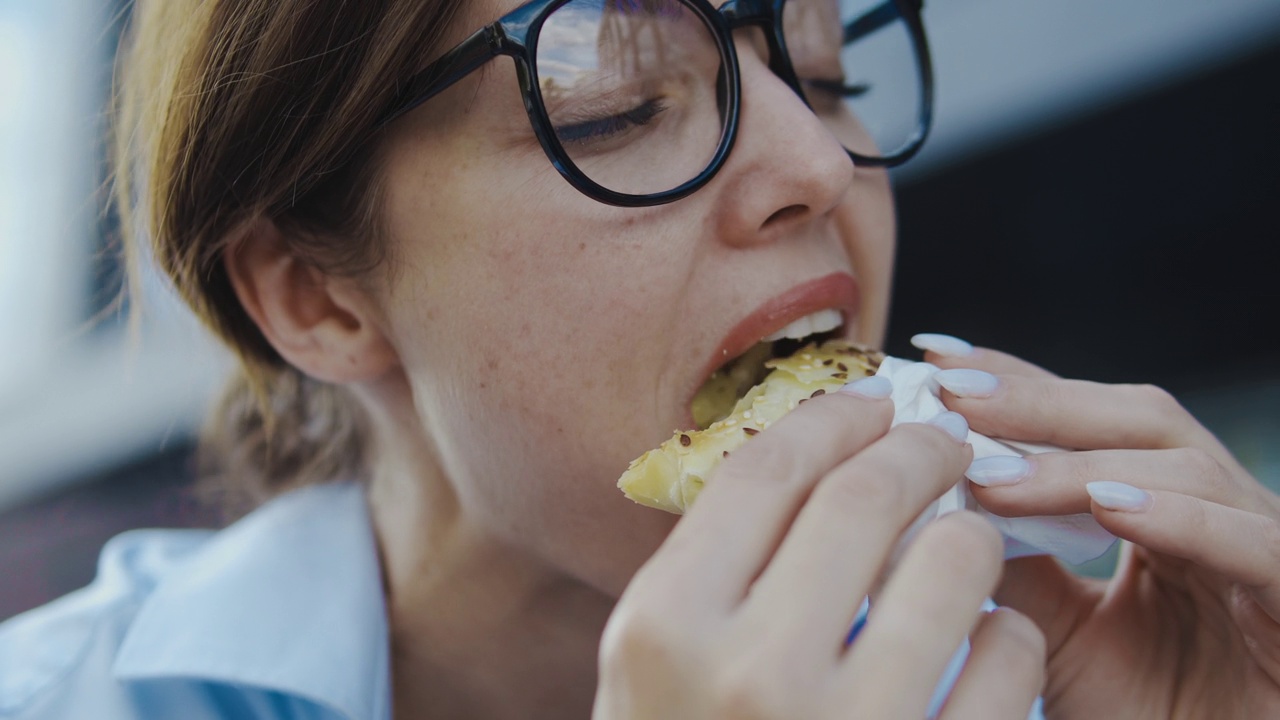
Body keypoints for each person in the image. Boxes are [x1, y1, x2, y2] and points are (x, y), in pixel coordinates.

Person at [1, 0, 1277, 717]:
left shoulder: (1014, 674)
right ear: (310, 295)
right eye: (607, 103)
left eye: (823, 72)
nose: (820, 166)